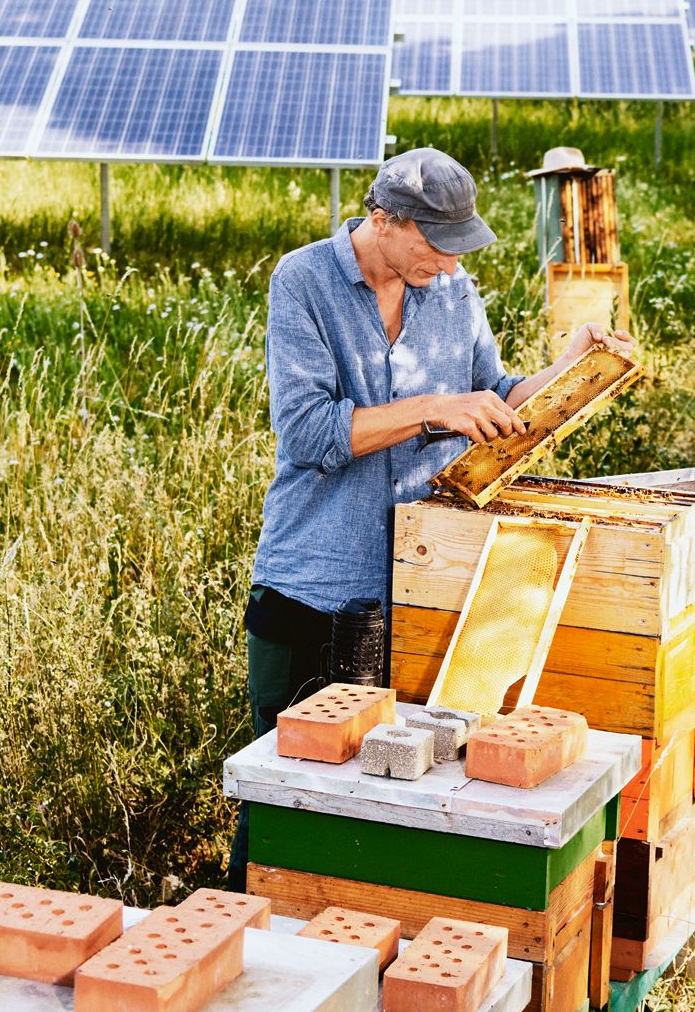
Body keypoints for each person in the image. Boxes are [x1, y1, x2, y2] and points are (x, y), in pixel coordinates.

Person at [229, 147, 632, 882]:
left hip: (418, 595)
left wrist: (570, 365)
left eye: (459, 249)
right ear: (384, 220)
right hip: (311, 594)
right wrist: (431, 410)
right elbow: (312, 433)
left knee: (393, 810)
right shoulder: (304, 282)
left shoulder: (452, 290)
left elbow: (496, 396)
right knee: (285, 811)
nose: (449, 265)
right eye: (437, 245)